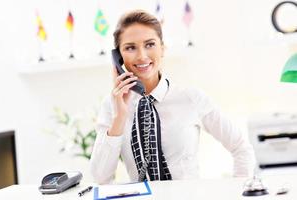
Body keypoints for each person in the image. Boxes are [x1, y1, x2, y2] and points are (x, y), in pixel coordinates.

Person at [90, 10, 255, 184]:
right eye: (130, 47)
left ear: (163, 48)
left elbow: (241, 147)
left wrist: (240, 190)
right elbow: (100, 177)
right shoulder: (112, 106)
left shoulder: (191, 98)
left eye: (150, 44)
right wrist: (119, 117)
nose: (142, 56)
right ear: (118, 57)